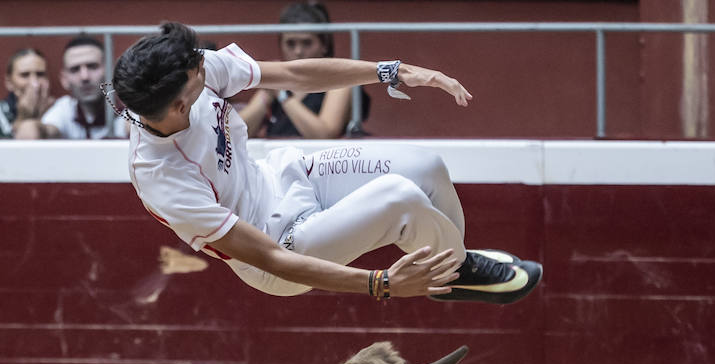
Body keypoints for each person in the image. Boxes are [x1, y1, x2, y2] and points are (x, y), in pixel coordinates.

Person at [110, 21, 542, 304]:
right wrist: (382, 283)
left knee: (425, 166)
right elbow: (271, 261)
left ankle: (450, 267)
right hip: (278, 245)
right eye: (198, 75)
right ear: (178, 107)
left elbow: (297, 75)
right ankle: (451, 268)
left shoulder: (192, 73)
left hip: (283, 174)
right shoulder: (162, 177)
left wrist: (391, 70)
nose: (207, 67)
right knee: (401, 198)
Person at [240, 1, 372, 139]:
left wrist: (284, 96)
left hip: (320, 159)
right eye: (290, 43)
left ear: (324, 45)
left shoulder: (341, 78)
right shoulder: (277, 81)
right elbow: (236, 133)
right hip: (277, 158)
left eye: (306, 43)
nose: (298, 51)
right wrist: (266, 97)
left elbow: (324, 134)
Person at [41, 35, 128, 139]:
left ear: (111, 71)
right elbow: (39, 132)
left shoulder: (129, 113)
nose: (84, 77)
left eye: (92, 66)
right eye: (75, 69)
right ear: (64, 79)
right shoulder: (65, 109)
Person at [0, 48, 54, 140]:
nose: (35, 83)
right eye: (25, 75)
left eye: (40, 74)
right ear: (9, 83)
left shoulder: (58, 109)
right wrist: (23, 118)